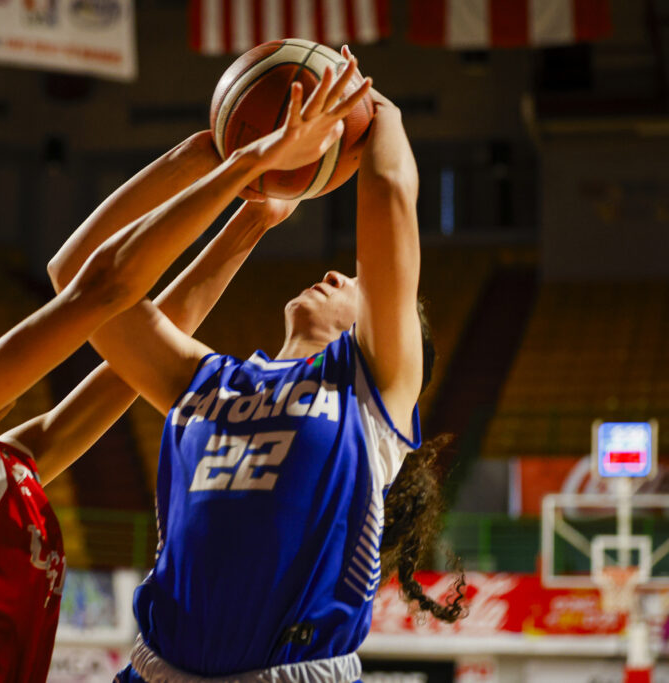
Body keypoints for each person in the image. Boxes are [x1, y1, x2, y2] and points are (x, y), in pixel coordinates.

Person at [0, 60, 370, 683]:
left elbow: (150, 337)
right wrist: (239, 163)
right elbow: (100, 289)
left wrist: (251, 214)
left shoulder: (17, 465)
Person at [49, 58, 465, 681]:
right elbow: (76, 275)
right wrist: (208, 155)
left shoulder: (370, 391)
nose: (334, 275)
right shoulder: (205, 381)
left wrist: (374, 108)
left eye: (354, 282)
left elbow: (388, 193)